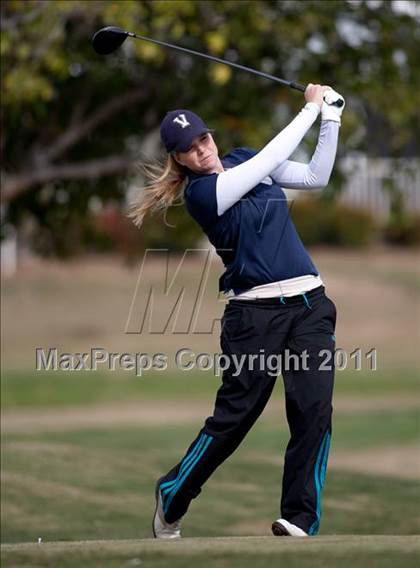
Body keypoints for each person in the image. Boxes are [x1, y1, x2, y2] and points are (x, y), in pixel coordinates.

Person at [129, 84, 345, 539]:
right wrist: (310, 109)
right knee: (235, 419)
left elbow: (314, 177)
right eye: (188, 148)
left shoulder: (242, 156)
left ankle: (300, 519)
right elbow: (267, 162)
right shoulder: (202, 195)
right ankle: (174, 491)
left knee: (313, 411)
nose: (200, 150)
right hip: (253, 319)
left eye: (203, 139)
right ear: (179, 160)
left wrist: (331, 119)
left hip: (310, 305)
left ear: (211, 136)